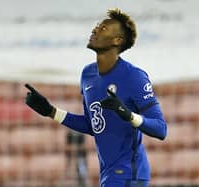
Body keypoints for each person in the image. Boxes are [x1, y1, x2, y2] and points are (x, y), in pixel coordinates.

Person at [25, 8, 167, 187]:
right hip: (108, 173)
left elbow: (161, 129)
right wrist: (51, 111)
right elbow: (93, 125)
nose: (95, 30)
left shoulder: (134, 77)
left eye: (104, 28)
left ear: (117, 40)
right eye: (97, 26)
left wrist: (129, 116)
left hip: (130, 173)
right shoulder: (87, 75)